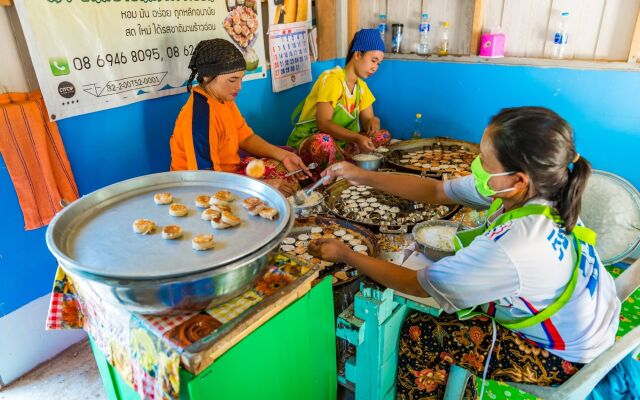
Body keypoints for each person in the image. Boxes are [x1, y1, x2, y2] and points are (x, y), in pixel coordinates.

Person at [309, 107, 620, 398]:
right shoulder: (545, 188)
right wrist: (361, 175)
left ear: (518, 180)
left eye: (484, 160)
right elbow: (435, 191)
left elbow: (417, 284)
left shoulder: (515, 245)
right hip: (593, 319)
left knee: (423, 331)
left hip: (567, 356)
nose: (477, 166)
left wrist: (346, 254)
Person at [170, 38, 310, 197]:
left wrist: (283, 155)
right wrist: (262, 187)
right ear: (207, 76)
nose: (239, 87)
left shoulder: (222, 98)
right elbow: (206, 180)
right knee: (275, 193)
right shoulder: (200, 118)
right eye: (232, 80)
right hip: (200, 190)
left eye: (241, 79)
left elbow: (245, 137)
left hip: (228, 174)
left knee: (286, 171)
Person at [287, 28, 391, 175]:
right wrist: (356, 137)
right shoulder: (332, 80)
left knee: (382, 136)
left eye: (379, 64)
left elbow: (368, 120)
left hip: (341, 142)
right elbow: (323, 123)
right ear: (357, 54)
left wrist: (374, 121)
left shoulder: (362, 88)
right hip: (312, 141)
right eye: (373, 60)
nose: (375, 67)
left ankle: (347, 165)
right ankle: (329, 179)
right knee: (324, 142)